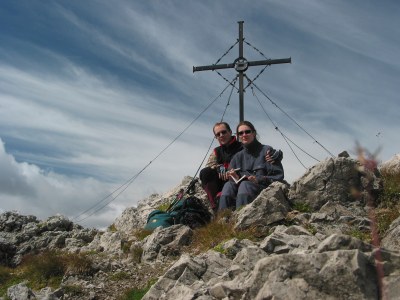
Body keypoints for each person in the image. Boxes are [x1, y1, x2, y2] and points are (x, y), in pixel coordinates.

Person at [218, 121, 284, 210]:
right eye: (240, 133)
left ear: (254, 133)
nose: (244, 135)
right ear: (238, 136)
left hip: (263, 192)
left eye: (247, 132)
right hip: (242, 192)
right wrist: (234, 177)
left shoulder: (267, 151)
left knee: (245, 185)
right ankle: (222, 220)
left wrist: (258, 180)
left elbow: (278, 176)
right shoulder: (237, 157)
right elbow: (233, 182)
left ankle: (242, 219)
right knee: (228, 186)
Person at [199, 122, 242, 210]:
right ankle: (214, 204)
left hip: (238, 179)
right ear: (216, 137)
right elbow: (209, 166)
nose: (221, 135)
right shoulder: (216, 151)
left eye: (223, 132)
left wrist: (229, 171)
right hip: (221, 181)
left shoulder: (242, 147)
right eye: (218, 134)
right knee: (205, 172)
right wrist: (218, 167)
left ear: (230, 132)